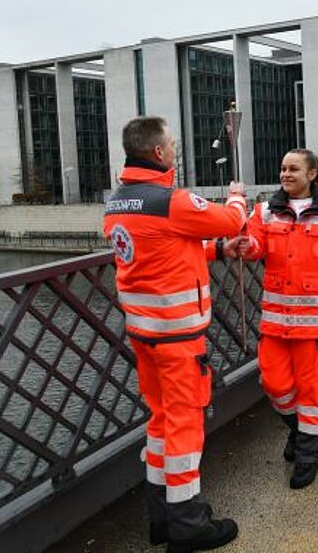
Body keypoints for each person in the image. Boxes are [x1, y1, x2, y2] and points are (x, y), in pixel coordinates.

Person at [103, 116, 245, 552]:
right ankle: (188, 526)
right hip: (179, 338)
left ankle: (160, 516)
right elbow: (228, 220)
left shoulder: (117, 202)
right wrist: (237, 198)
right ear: (160, 153)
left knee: (161, 424)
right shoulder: (171, 200)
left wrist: (216, 252)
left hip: (144, 334)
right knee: (185, 430)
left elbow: (164, 248)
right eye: (173, 146)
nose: (176, 152)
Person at [237, 149, 318, 489]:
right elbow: (253, 249)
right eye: (282, 168)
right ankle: (297, 430)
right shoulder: (265, 211)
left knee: (310, 392)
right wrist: (240, 233)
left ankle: (308, 456)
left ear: (312, 175)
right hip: (276, 321)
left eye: (293, 169)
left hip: (317, 324)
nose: (285, 174)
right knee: (274, 384)